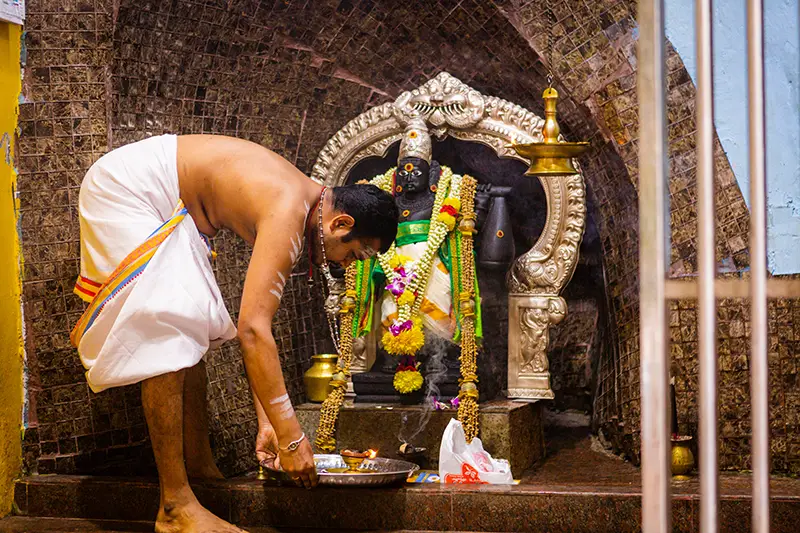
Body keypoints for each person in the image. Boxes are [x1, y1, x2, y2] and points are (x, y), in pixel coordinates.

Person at [69, 134, 398, 533]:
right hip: (129, 190)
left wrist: (270, 424)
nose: (344, 264)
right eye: (355, 252)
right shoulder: (288, 210)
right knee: (168, 331)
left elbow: (261, 332)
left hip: (169, 204)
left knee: (187, 328)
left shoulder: (301, 203)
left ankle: (200, 472)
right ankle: (174, 505)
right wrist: (292, 439)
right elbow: (253, 332)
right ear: (340, 223)